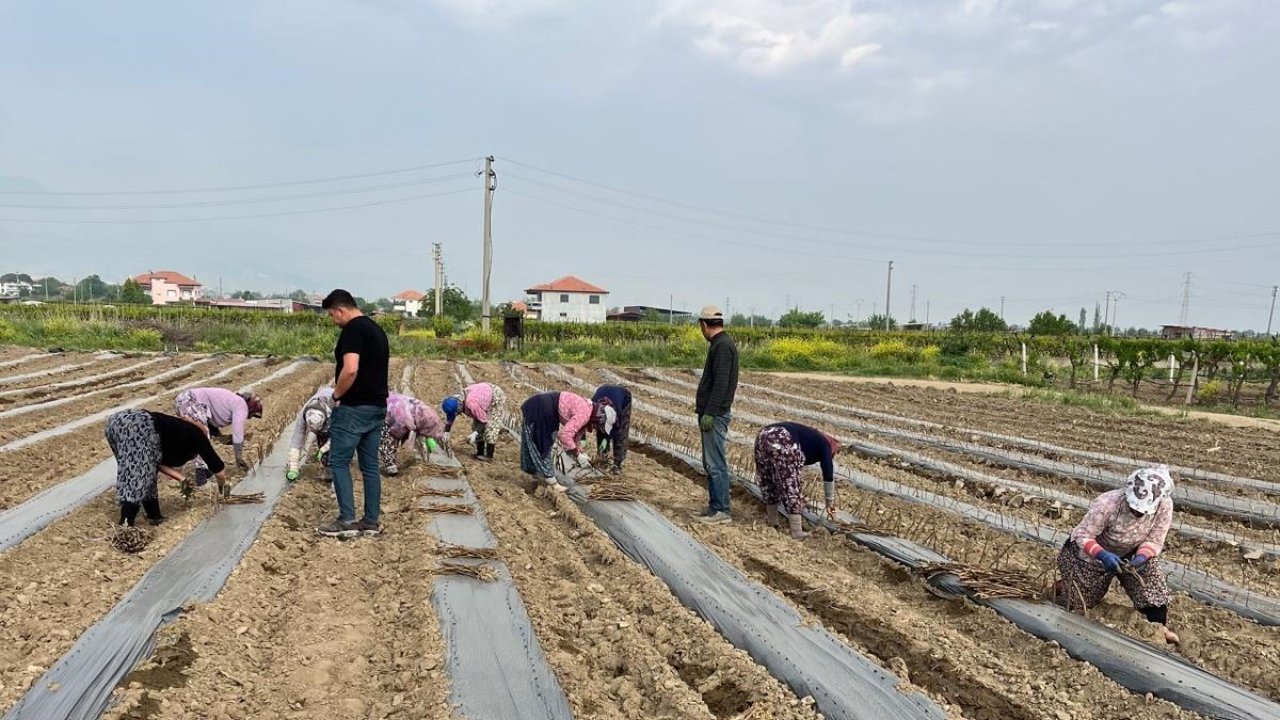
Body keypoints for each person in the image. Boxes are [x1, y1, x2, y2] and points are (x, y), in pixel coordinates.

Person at [1057, 466, 1179, 644]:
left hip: (1133, 551)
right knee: (1084, 599)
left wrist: (1142, 557)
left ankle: (1159, 626)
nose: (1137, 513)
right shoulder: (1107, 504)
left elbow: (1155, 539)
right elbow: (1083, 535)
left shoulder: (1164, 505)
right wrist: (1102, 555)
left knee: (1151, 583)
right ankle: (1063, 586)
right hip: (1091, 550)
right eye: (1134, 508)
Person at [317, 289, 390, 539]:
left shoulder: (353, 331)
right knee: (370, 466)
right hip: (377, 406)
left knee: (339, 462)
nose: (332, 320)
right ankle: (371, 521)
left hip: (354, 408)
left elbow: (350, 370)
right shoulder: (376, 330)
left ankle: (346, 519)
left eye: (331, 315)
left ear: (340, 310)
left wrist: (336, 396)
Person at [105, 409, 229, 526]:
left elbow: (154, 463)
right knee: (137, 476)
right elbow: (219, 470)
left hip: (115, 423)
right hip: (138, 424)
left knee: (145, 470)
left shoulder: (175, 434)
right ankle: (126, 525)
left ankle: (154, 515)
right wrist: (224, 493)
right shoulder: (198, 436)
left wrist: (182, 479)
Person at [754, 422, 840, 539]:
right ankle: (796, 531)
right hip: (782, 437)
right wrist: (830, 501)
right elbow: (828, 472)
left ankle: (772, 521)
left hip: (762, 434)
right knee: (790, 484)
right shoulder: (826, 445)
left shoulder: (810, 437)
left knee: (768, 479)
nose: (833, 455)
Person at [693, 305, 738, 524]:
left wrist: (709, 412)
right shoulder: (719, 344)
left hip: (715, 414)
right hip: (711, 413)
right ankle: (713, 507)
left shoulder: (722, 346)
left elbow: (721, 384)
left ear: (703, 324)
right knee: (710, 462)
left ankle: (722, 510)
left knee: (716, 463)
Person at [174, 387, 263, 473]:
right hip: (192, 401)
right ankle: (202, 476)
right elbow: (237, 431)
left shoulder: (233, 399)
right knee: (202, 438)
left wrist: (220, 436)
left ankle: (173, 462)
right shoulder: (241, 405)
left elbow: (210, 418)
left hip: (183, 400)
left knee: (192, 438)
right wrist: (238, 457)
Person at [519, 390, 594, 492]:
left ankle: (535, 476)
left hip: (546, 409)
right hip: (541, 410)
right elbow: (565, 436)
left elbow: (576, 435)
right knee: (541, 445)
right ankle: (552, 483)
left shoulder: (589, 409)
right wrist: (577, 455)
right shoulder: (585, 414)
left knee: (540, 443)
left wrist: (581, 452)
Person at [380, 392, 446, 475]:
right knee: (387, 438)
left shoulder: (424, 415)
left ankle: (389, 464)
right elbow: (394, 433)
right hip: (387, 409)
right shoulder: (405, 419)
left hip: (393, 405)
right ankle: (390, 466)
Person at [442, 381, 509, 462]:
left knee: (490, 427)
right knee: (476, 425)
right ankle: (480, 453)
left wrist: (475, 433)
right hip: (481, 395)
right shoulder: (455, 401)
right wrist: (446, 432)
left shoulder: (471, 404)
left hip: (495, 395)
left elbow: (483, 420)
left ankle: (489, 456)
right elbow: (450, 417)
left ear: (459, 408)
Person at [286, 386, 335, 481]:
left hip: (343, 409)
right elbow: (297, 439)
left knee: (335, 445)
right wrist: (293, 466)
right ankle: (327, 464)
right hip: (324, 411)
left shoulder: (335, 411)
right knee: (322, 441)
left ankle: (333, 468)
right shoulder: (304, 415)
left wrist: (324, 449)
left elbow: (338, 435)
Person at [591, 384, 632, 474]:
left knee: (621, 433)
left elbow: (617, 429)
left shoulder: (617, 410)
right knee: (602, 431)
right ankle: (602, 458)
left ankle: (617, 464)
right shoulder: (591, 406)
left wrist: (609, 436)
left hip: (623, 396)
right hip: (604, 391)